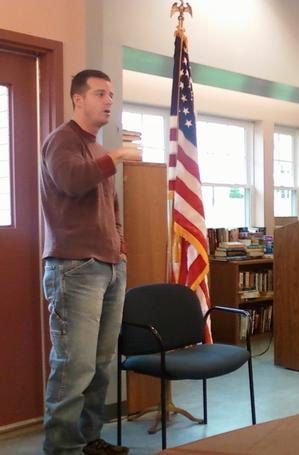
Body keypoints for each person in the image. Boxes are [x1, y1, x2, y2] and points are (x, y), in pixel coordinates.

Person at [40, 69, 141, 455]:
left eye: (111, 95)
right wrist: (116, 154)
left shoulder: (98, 149)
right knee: (74, 366)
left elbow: (110, 206)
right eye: (100, 93)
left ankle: (88, 440)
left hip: (110, 266)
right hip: (74, 268)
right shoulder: (61, 141)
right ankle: (62, 448)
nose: (109, 101)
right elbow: (71, 181)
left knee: (100, 365)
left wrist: (118, 241)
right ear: (77, 98)